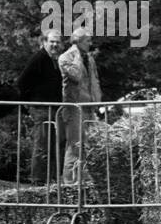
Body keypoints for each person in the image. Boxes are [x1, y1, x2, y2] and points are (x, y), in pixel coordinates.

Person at [17, 27, 64, 183]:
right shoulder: (39, 58)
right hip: (42, 108)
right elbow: (22, 82)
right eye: (52, 42)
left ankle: (49, 178)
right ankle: (37, 181)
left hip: (52, 108)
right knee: (42, 144)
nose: (55, 45)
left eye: (57, 42)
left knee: (52, 145)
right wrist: (30, 103)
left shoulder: (53, 60)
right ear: (44, 42)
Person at [57, 26, 103, 182]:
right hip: (74, 107)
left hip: (88, 106)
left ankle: (84, 178)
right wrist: (76, 54)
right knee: (74, 144)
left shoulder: (89, 58)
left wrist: (97, 100)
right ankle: (69, 181)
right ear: (78, 41)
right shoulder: (65, 58)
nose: (90, 43)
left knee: (88, 144)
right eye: (87, 40)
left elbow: (94, 80)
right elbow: (75, 76)